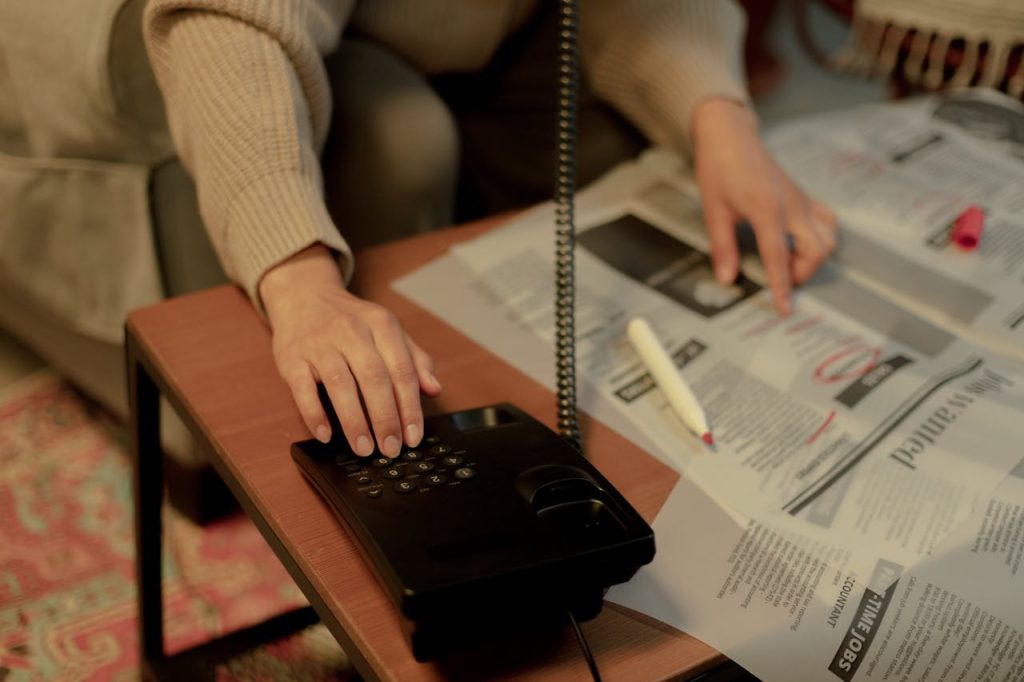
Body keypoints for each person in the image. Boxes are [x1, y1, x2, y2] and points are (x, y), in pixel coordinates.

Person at [143, 0, 837, 460]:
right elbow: (225, 23)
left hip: (506, 22)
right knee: (401, 138)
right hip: (336, 31)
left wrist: (717, 114)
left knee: (615, 144)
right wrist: (298, 279)